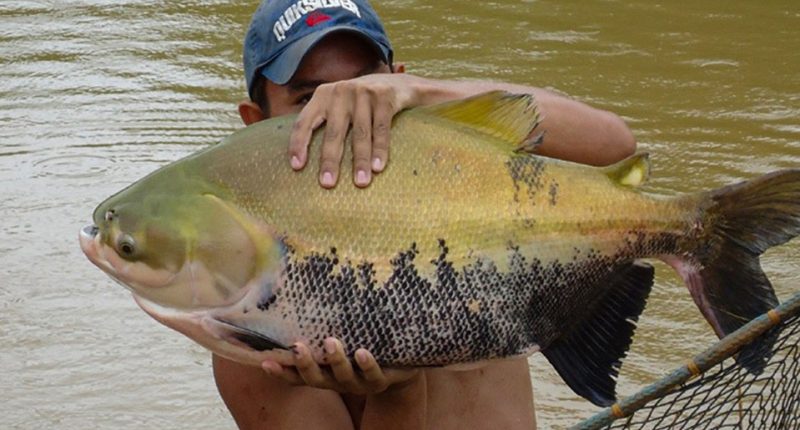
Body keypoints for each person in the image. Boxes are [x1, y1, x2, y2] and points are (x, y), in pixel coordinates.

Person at [214, 1, 637, 429]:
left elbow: (614, 144)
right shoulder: (251, 322)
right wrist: (398, 391)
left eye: (366, 87)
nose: (347, 114)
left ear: (397, 83)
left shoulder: (464, 172)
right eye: (309, 98)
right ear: (256, 123)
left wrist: (425, 94)